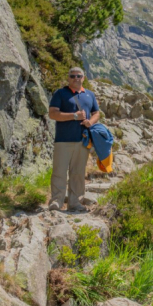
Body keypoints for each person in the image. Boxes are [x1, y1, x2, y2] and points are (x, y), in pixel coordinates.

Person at [47, 67, 99, 212]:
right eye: (72, 76)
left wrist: (91, 122)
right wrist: (74, 116)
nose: (75, 78)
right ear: (68, 78)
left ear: (83, 77)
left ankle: (75, 202)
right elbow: (52, 114)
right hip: (63, 140)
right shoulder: (61, 93)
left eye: (79, 76)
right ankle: (56, 202)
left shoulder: (90, 95)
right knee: (59, 171)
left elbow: (96, 113)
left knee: (78, 173)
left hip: (82, 140)